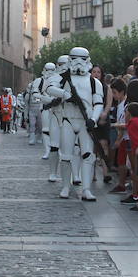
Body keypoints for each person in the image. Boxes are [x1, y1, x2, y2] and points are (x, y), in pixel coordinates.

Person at [45, 47, 104, 202]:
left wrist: (94, 119)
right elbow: (49, 88)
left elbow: (98, 103)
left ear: (87, 61)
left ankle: (86, 189)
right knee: (66, 155)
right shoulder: (63, 78)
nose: (78, 63)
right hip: (68, 120)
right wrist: (65, 95)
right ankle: (65, 186)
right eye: (75, 59)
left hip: (86, 122)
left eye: (82, 59)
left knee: (87, 155)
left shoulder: (94, 82)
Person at [45, 55, 70, 181]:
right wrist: (56, 98)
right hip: (55, 114)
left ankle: (75, 175)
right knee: (54, 145)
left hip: (70, 116)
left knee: (72, 147)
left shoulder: (75, 79)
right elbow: (45, 94)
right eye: (60, 64)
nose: (63, 67)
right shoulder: (52, 79)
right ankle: (53, 172)